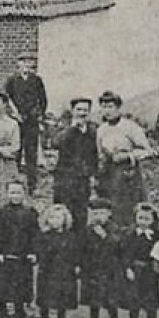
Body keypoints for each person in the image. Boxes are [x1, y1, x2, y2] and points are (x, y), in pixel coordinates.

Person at [0, 179, 38, 318]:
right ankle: (2, 313)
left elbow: (34, 235)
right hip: (5, 256)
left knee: (20, 289)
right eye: (12, 192)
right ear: (7, 194)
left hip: (22, 256)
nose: (15, 196)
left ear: (24, 194)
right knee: (2, 287)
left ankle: (20, 317)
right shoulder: (0, 213)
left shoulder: (30, 213)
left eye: (18, 192)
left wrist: (33, 252)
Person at [95, 91, 152, 229]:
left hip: (128, 173)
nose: (106, 111)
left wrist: (127, 156)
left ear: (118, 108)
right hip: (109, 173)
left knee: (130, 207)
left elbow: (147, 151)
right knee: (111, 206)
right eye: (103, 107)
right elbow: (99, 153)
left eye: (110, 107)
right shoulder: (101, 130)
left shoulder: (130, 127)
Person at [78, 197, 123, 318]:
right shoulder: (88, 230)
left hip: (109, 270)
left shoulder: (114, 228)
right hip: (92, 269)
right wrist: (81, 265)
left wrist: (104, 236)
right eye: (95, 213)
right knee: (93, 299)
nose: (98, 217)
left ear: (109, 213)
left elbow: (117, 246)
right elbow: (83, 249)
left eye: (101, 213)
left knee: (110, 301)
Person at [119, 203, 159, 318]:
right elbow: (125, 254)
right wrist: (128, 268)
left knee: (151, 302)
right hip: (135, 271)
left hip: (150, 272)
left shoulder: (157, 236)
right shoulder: (130, 235)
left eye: (147, 219)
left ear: (153, 220)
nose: (143, 222)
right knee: (134, 301)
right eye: (140, 218)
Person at [53, 98, 100, 228]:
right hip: (64, 179)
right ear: (73, 111)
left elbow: (95, 155)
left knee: (81, 215)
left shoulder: (93, 130)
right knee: (63, 214)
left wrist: (94, 175)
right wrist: (73, 128)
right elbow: (56, 142)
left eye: (85, 110)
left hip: (82, 180)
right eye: (79, 109)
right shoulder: (63, 127)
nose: (82, 113)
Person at [3, 56, 48, 188]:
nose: (27, 66)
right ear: (19, 64)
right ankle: (14, 183)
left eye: (29, 63)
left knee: (31, 153)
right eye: (24, 63)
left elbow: (43, 100)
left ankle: (31, 184)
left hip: (31, 122)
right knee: (16, 151)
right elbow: (7, 99)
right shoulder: (12, 80)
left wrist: (37, 113)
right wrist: (14, 114)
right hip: (16, 122)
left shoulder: (37, 80)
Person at [35, 203, 79, 318]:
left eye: (58, 218)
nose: (55, 221)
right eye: (52, 217)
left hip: (65, 270)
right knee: (45, 295)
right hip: (48, 270)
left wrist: (76, 265)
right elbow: (39, 251)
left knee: (63, 296)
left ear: (65, 220)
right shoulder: (44, 236)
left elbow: (75, 252)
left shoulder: (70, 236)